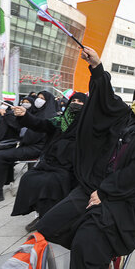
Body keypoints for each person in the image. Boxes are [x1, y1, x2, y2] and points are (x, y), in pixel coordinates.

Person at [35, 46, 135, 269]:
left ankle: (101, 261)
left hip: (126, 199)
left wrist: (104, 193)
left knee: (86, 244)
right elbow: (107, 99)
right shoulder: (127, 118)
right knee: (48, 225)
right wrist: (97, 67)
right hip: (98, 185)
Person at [11, 92, 87, 231]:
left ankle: (52, 219)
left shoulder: (88, 125)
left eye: (80, 101)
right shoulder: (59, 121)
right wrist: (25, 115)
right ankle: (42, 216)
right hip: (51, 162)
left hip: (71, 168)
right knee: (29, 178)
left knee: (52, 183)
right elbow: (40, 124)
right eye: (74, 100)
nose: (76, 103)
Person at [0, 92, 57, 206]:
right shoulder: (36, 112)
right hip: (25, 144)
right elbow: (21, 127)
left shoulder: (50, 115)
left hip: (36, 148)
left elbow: (35, 133)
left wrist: (20, 139)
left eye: (42, 98)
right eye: (38, 97)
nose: (38, 100)